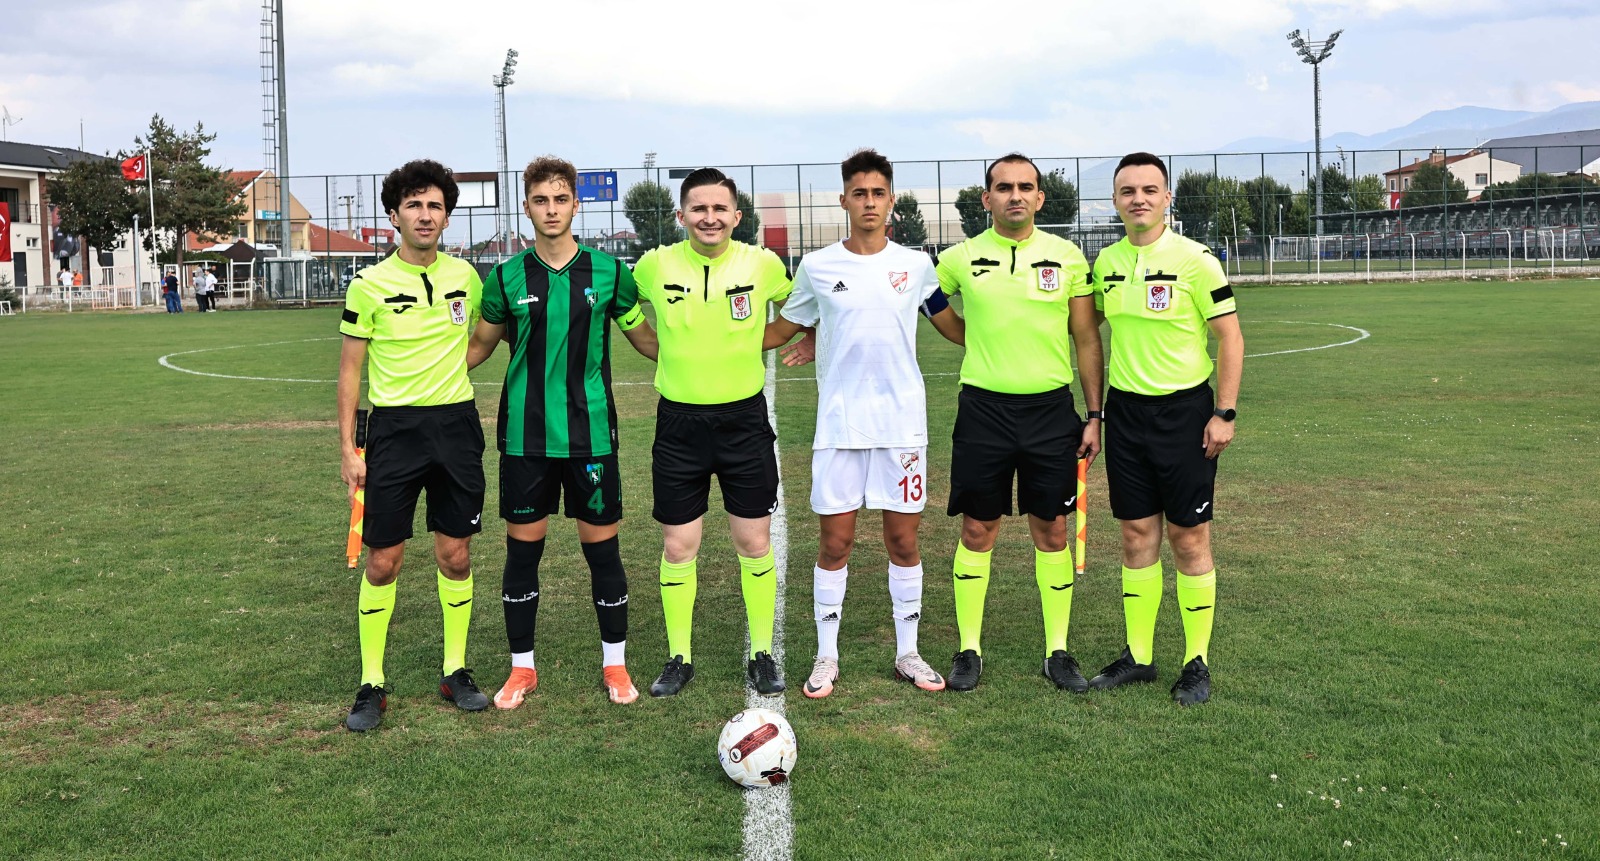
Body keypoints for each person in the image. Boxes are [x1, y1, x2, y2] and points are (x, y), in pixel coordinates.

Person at [762, 149, 964, 698]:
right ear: (845, 200)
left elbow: (954, 328)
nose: (869, 202)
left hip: (902, 427)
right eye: (860, 193)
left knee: (903, 540)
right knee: (835, 543)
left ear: (891, 200)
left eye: (879, 193)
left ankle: (908, 652)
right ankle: (827, 657)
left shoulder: (917, 266)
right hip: (840, 427)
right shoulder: (818, 266)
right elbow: (786, 325)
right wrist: (715, 348)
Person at [466, 156, 659, 708]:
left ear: (576, 204)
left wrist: (702, 355)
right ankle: (521, 669)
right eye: (540, 200)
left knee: (604, 554)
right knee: (522, 556)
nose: (551, 210)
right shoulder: (504, 277)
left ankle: (616, 665)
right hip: (526, 440)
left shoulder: (610, 273)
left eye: (560, 199)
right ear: (526, 207)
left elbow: (644, 339)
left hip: (591, 437)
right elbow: (478, 348)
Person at [935, 153, 1104, 693]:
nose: (1014, 195)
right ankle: (968, 649)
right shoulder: (960, 257)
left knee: (1052, 529)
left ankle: (1058, 651)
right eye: (1003, 187)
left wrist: (1094, 414)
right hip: (982, 410)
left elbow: (1085, 339)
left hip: (1050, 413)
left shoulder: (1068, 257)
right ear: (986, 198)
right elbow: (925, 300)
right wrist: (974, 340)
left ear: (1040, 198)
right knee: (977, 527)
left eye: (1024, 187)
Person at [631, 167, 799, 698]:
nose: (709, 218)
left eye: (719, 209)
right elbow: (624, 310)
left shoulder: (763, 264)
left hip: (743, 422)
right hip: (679, 423)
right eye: (698, 209)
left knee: (753, 541)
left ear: (736, 216)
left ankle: (761, 652)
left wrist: (760, 343)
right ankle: (679, 656)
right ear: (680, 216)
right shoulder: (654, 265)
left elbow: (799, 309)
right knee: (680, 545)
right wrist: (657, 347)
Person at [1085, 152, 1243, 707]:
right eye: (1128, 191)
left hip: (1185, 415)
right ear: (1115, 201)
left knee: (1189, 537)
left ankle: (1196, 663)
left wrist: (1223, 413)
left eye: (1150, 190)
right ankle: (1140, 656)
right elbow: (1082, 330)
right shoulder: (1104, 263)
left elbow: (1230, 338)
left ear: (1167, 197)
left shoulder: (1197, 261)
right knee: (1135, 536)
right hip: (1126, 414)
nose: (1139, 199)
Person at [337, 159, 489, 731]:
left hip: (455, 428)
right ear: (395, 213)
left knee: (456, 554)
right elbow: (351, 371)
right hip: (395, 432)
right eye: (415, 205)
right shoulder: (368, 284)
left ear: (446, 216)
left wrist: (449, 368)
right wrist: (350, 449)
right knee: (384, 560)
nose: (425, 215)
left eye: (435, 206)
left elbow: (479, 340)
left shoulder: (466, 278)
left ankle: (456, 671)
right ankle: (371, 683)